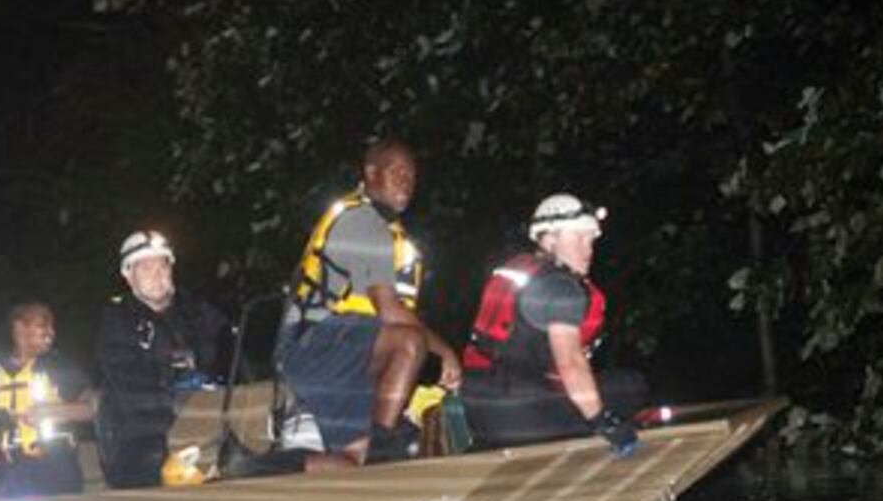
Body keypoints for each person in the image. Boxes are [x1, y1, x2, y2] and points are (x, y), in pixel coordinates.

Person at [275, 139, 461, 466]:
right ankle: (382, 443)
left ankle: (256, 469)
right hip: (319, 346)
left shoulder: (386, 229)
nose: (406, 181)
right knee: (410, 342)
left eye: (412, 175)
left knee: (348, 461)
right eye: (397, 172)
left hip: (342, 348)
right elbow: (390, 311)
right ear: (371, 173)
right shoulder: (363, 222)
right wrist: (445, 354)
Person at [459, 193, 645, 455]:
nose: (588, 248)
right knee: (631, 386)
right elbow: (570, 363)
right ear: (548, 239)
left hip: (480, 411)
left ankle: (496, 440)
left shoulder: (522, 272)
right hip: (521, 415)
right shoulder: (561, 287)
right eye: (578, 237)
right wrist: (604, 422)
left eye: (591, 239)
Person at [95, 229, 228, 488]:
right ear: (128, 275)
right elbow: (129, 388)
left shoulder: (198, 312)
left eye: (163, 266)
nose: (158, 274)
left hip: (209, 422)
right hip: (146, 437)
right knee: (167, 460)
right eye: (146, 268)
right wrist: (180, 401)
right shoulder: (117, 321)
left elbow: (231, 356)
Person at [0, 301, 95, 496]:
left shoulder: (59, 367)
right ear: (19, 328)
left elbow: (93, 408)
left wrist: (51, 412)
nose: (51, 332)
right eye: (43, 325)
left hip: (55, 468)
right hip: (5, 472)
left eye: (52, 326)